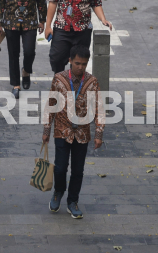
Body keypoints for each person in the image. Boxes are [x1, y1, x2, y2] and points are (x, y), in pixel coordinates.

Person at [42, 45, 104, 219]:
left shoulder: (92, 82)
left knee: (78, 170)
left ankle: (72, 201)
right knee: (60, 168)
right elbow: (51, 104)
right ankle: (58, 192)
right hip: (62, 131)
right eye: (77, 63)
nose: (80, 67)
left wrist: (99, 133)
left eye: (84, 64)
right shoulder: (59, 79)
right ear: (70, 61)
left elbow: (99, 107)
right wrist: (47, 129)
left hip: (82, 134)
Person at [45, 0, 112, 73]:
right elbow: (52, 3)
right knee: (56, 58)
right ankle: (60, 81)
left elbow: (96, 3)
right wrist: (48, 26)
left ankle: (74, 87)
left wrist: (103, 19)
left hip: (82, 29)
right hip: (62, 27)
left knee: (79, 63)